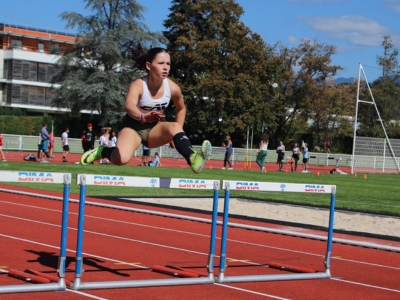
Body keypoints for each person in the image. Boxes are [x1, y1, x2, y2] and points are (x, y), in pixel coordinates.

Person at [80, 48, 212, 173]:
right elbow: (129, 105)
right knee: (121, 159)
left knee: (175, 126)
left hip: (154, 130)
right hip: (133, 128)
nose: (166, 67)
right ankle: (103, 151)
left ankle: (193, 158)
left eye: (168, 64)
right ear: (149, 66)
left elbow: (181, 108)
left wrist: (176, 136)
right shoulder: (138, 84)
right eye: (161, 63)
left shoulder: (173, 87)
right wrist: (143, 116)